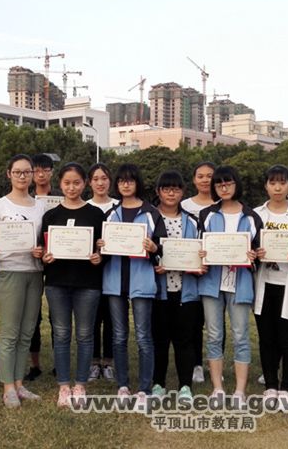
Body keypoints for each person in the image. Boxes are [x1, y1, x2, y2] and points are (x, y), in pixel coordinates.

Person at [0, 154, 45, 408]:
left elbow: (42, 239)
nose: (22, 176)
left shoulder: (40, 205)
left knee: (27, 331)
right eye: (17, 172)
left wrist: (40, 249)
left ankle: (19, 383)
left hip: (34, 271)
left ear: (32, 175)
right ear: (9, 174)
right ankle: (7, 387)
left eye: (26, 172)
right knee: (10, 332)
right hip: (9, 271)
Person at [99, 164, 164, 403]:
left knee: (144, 336)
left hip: (142, 281)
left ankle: (144, 389)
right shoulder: (111, 214)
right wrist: (101, 247)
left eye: (130, 181)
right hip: (115, 281)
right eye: (122, 181)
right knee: (118, 335)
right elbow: (103, 253)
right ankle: (123, 385)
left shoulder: (151, 213)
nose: (126, 185)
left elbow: (162, 249)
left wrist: (154, 248)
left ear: (137, 183)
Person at [41, 162, 104, 407]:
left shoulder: (95, 214)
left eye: (76, 182)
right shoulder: (51, 216)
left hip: (87, 282)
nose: (72, 187)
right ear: (60, 184)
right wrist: (44, 257)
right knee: (61, 333)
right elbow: (44, 249)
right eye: (67, 183)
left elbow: (102, 248)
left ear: (84, 184)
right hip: (57, 282)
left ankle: (80, 384)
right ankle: (64, 386)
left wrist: (100, 257)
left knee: (85, 335)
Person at [197, 165, 262, 406]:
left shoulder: (252, 216)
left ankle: (240, 391)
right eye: (219, 184)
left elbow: (258, 251)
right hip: (212, 282)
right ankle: (218, 388)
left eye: (228, 183)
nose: (223, 188)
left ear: (236, 184)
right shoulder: (207, 215)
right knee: (214, 335)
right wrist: (201, 254)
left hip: (241, 282)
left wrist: (255, 256)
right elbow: (197, 246)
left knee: (241, 335)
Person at [253, 165, 288, 408]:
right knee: (266, 338)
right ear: (265, 185)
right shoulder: (256, 214)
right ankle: (271, 386)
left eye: (282, 183)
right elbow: (250, 248)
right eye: (272, 182)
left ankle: (286, 386)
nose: (277, 187)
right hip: (264, 283)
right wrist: (256, 253)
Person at [151, 170, 202, 401]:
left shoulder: (192, 221)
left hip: (186, 290)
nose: (171, 193)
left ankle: (185, 386)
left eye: (176, 189)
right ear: (158, 192)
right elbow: (139, 251)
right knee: (159, 340)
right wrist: (154, 264)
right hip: (157, 291)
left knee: (185, 340)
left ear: (183, 192)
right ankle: (158, 384)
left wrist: (200, 262)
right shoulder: (148, 218)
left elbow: (201, 251)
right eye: (166, 188)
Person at [180, 161, 215, 384]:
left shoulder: (223, 205)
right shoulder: (184, 205)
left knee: (213, 322)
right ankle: (196, 364)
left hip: (214, 272)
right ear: (194, 180)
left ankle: (214, 362)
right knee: (193, 320)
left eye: (209, 176)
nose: (205, 180)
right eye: (200, 176)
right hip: (188, 272)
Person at [27, 153, 59, 381]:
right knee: (32, 316)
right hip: (30, 263)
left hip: (57, 263)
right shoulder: (25, 200)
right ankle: (34, 364)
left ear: (51, 172)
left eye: (45, 170)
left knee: (57, 316)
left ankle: (60, 362)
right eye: (36, 170)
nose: (40, 174)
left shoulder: (60, 199)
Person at [86, 163, 118, 382]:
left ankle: (109, 362)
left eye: (104, 178)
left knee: (112, 318)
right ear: (90, 182)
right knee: (92, 319)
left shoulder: (119, 207)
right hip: (90, 272)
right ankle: (93, 362)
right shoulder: (84, 206)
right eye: (96, 178)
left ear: (110, 181)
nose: (100, 183)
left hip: (114, 270)